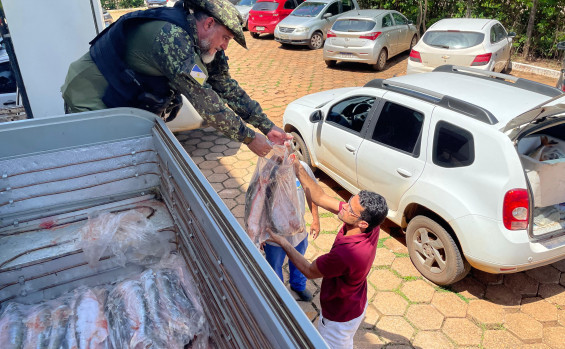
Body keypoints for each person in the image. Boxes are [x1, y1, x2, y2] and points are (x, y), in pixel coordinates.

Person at [61, 0, 290, 157]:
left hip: (121, 97)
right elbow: (207, 103)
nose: (224, 46)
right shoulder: (171, 38)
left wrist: (266, 126)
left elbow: (225, 86)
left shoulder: (204, 43)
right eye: (226, 38)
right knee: (107, 162)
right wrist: (249, 138)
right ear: (209, 23)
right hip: (90, 95)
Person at [267, 155, 388, 349]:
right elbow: (320, 197)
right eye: (349, 201)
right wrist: (297, 167)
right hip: (356, 303)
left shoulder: (347, 255)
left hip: (338, 318)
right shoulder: (372, 226)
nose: (344, 207)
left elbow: (309, 270)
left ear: (362, 223)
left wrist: (283, 241)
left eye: (350, 209)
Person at [263, 161, 320, 302]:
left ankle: (298, 286)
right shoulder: (267, 169)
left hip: (298, 232)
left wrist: (316, 219)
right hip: (274, 236)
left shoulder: (301, 167)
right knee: (274, 266)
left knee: (299, 261)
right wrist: (259, 234)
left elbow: (311, 192)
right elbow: (257, 203)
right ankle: (279, 293)